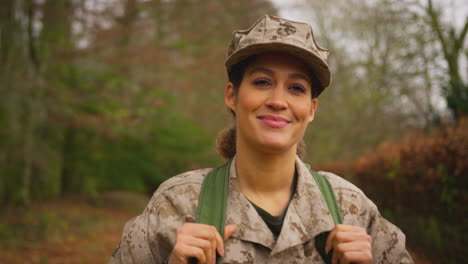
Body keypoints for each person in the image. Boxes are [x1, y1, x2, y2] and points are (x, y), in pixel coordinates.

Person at [109, 15, 414, 264]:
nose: (278, 100)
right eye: (262, 82)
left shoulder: (352, 210)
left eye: (296, 88)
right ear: (232, 95)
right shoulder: (176, 205)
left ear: (311, 109)